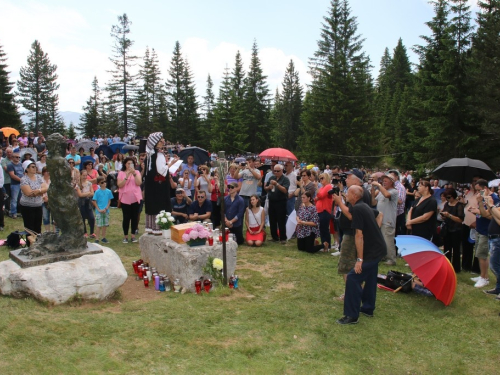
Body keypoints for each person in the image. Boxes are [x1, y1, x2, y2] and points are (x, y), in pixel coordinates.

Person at [337, 185, 386, 325]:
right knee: (370, 278)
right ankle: (368, 308)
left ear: (355, 196)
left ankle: (352, 316)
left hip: (372, 251)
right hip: (378, 249)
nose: (346, 194)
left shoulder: (359, 208)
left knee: (353, 278)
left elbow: (359, 235)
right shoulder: (362, 206)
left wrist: (359, 260)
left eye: (348, 193)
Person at [144, 132, 178, 235]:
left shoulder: (150, 154)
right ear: (157, 142)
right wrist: (171, 164)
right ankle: (159, 228)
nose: (163, 141)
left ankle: (151, 227)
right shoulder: (158, 154)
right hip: (159, 186)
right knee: (160, 204)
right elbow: (161, 170)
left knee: (152, 204)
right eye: (161, 140)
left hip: (151, 185)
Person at [470, 179, 499, 288]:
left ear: (485, 188)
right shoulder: (481, 198)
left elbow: (493, 216)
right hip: (479, 228)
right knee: (478, 253)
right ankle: (483, 275)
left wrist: (479, 212)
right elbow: (482, 212)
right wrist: (476, 210)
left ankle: (484, 278)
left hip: (486, 230)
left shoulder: (494, 199)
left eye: (479, 190)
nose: (478, 193)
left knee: (482, 254)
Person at [371, 173, 399, 266]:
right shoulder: (381, 192)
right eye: (383, 181)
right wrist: (372, 191)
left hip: (388, 220)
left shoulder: (394, 191)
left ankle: (391, 259)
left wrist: (378, 185)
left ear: (392, 182)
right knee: (381, 239)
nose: (384, 182)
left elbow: (387, 195)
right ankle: (383, 256)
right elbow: (373, 202)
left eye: (386, 180)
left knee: (388, 239)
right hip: (380, 219)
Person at [20, 160, 48, 245]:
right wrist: (40, 192)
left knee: (38, 226)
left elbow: (46, 188)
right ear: (27, 169)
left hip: (38, 205)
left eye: (35, 166)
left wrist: (38, 191)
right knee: (30, 227)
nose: (35, 168)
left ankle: (38, 245)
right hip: (27, 206)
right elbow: (28, 193)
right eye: (32, 167)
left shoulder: (39, 177)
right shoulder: (24, 179)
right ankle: (30, 246)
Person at [117, 157, 142, 243]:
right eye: (128, 163)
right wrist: (127, 176)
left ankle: (133, 235)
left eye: (131, 163)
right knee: (126, 217)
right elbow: (120, 185)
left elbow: (139, 183)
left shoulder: (137, 172)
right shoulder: (121, 173)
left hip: (135, 197)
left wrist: (134, 174)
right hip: (125, 198)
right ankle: (125, 236)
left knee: (135, 217)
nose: (129, 165)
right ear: (125, 164)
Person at [440, 188, 465, 273]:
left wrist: (449, 215)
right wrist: (443, 215)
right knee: (447, 248)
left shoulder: (459, 205)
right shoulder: (447, 204)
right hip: (447, 228)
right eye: (446, 197)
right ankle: (447, 265)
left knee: (456, 249)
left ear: (453, 196)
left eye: (449, 197)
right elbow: (444, 213)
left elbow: (460, 219)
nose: (448, 199)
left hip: (456, 229)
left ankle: (456, 267)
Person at [265, 163, 290, 244]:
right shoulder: (272, 177)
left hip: (281, 201)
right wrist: (269, 187)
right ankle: (274, 236)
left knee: (281, 220)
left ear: (282, 171)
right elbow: (265, 188)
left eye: (277, 171)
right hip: (272, 201)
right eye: (274, 171)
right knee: (272, 220)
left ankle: (283, 237)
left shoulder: (285, 179)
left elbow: (285, 190)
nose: (275, 172)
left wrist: (277, 184)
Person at [483, 194, 500, 299]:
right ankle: (498, 288)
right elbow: (487, 215)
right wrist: (486, 204)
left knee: (494, 266)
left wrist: (492, 206)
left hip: (498, 238)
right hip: (493, 237)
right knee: (496, 264)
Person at [314, 173, 333, 249]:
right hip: (320, 210)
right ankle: (323, 244)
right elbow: (316, 198)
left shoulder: (328, 186)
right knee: (322, 228)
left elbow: (320, 196)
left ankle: (327, 245)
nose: (321, 180)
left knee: (324, 229)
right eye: (320, 179)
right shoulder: (322, 188)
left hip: (325, 210)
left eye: (322, 178)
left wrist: (316, 188)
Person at [92, 176, 113, 244]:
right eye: (102, 182)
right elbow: (94, 201)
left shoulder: (109, 191)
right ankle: (97, 238)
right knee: (98, 225)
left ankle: (103, 237)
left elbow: (109, 200)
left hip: (106, 210)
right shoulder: (97, 192)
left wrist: (106, 208)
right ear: (99, 184)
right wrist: (99, 209)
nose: (104, 183)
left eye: (105, 182)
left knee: (105, 225)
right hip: (99, 211)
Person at [75, 169, 95, 238]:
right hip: (81, 202)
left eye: (86, 175)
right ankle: (84, 232)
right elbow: (80, 195)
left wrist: (86, 194)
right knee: (82, 217)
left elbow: (92, 193)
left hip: (88, 202)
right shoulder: (78, 185)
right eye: (83, 175)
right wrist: (88, 193)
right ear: (80, 175)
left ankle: (92, 232)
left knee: (91, 217)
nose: (85, 177)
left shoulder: (89, 183)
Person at [7, 150, 24, 219]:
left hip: (22, 184)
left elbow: (23, 173)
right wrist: (22, 180)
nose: (18, 159)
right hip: (15, 184)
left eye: (19, 157)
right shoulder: (10, 165)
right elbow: (12, 175)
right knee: (14, 199)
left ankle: (20, 212)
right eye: (16, 157)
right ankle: (13, 213)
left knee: (21, 199)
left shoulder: (20, 164)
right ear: (12, 157)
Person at [41, 167, 56, 233]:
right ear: (43, 172)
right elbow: (39, 190)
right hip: (44, 201)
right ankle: (47, 232)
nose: (48, 172)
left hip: (53, 201)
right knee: (45, 217)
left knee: (54, 218)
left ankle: (54, 233)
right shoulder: (40, 180)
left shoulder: (53, 180)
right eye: (47, 171)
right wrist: (44, 197)